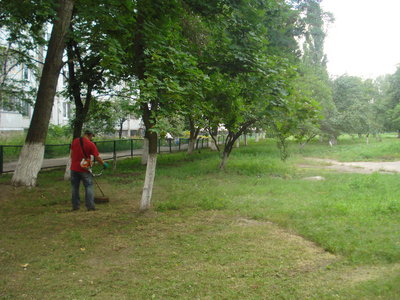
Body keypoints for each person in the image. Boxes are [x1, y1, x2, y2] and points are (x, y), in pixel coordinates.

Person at [70, 130, 109, 211]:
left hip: (73, 168)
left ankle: (75, 206)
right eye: (92, 136)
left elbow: (71, 154)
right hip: (84, 169)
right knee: (89, 186)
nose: (92, 138)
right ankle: (90, 206)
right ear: (89, 135)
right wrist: (103, 164)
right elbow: (97, 157)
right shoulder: (90, 144)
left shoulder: (75, 141)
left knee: (75, 187)